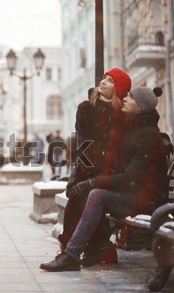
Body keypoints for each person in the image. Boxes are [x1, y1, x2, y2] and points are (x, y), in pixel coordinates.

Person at [40, 87, 169, 272]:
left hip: (146, 200)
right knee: (89, 193)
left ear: (139, 108)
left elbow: (130, 177)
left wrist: (93, 182)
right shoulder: (134, 128)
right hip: (134, 194)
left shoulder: (148, 136)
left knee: (97, 195)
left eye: (130, 97)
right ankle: (88, 250)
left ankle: (72, 254)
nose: (125, 98)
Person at [59, 68, 132, 266]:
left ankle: (87, 250)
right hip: (89, 168)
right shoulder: (86, 108)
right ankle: (93, 249)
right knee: (78, 195)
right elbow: (85, 143)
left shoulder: (121, 115)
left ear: (117, 90)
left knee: (87, 195)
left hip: (111, 173)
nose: (104, 82)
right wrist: (83, 175)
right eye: (104, 78)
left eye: (110, 81)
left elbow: (118, 149)